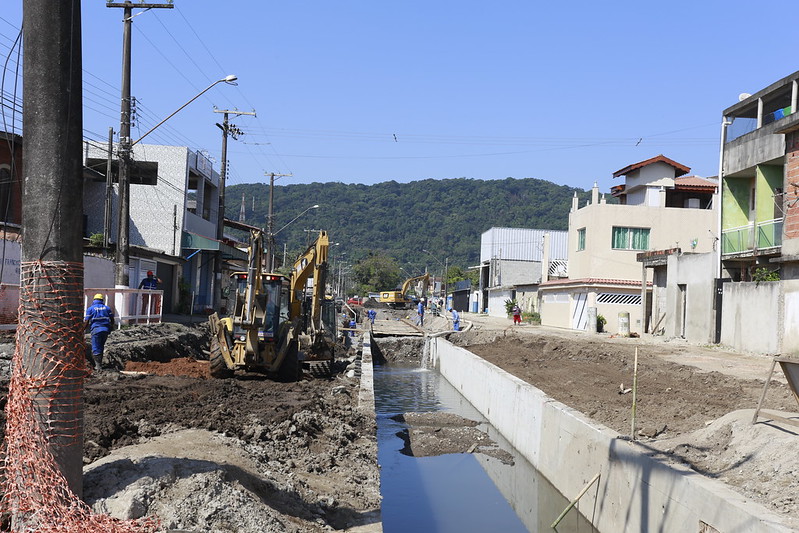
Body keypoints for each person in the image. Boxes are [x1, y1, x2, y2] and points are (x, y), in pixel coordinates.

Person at [84, 293, 115, 371]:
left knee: (96, 347)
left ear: (94, 300)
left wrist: (82, 329)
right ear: (102, 300)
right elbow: (112, 319)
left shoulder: (90, 309)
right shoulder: (107, 308)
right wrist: (111, 327)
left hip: (96, 330)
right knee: (101, 345)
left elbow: (87, 321)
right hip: (105, 330)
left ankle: (98, 366)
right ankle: (99, 364)